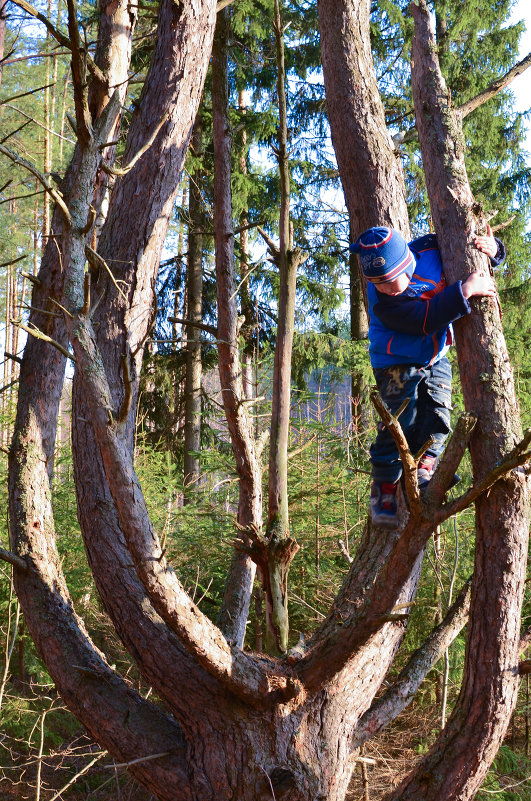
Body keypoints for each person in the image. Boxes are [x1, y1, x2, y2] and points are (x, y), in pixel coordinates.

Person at [350, 225, 504, 528]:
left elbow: (468, 244)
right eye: (377, 283)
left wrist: (494, 249)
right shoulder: (382, 301)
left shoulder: (432, 251)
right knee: (400, 422)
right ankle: (383, 494)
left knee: (439, 416)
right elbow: (424, 319)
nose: (386, 288)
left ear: (407, 262)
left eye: (391, 281)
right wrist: (464, 291)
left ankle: (423, 475)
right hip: (394, 361)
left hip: (434, 357)